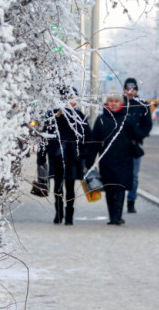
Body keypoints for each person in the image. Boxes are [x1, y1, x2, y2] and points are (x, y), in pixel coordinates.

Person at [43, 87, 90, 225]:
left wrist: (83, 155)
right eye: (69, 99)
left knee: (70, 187)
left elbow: (88, 137)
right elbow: (45, 136)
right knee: (57, 186)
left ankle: (69, 215)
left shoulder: (79, 116)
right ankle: (58, 213)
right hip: (56, 156)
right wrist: (42, 156)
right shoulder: (52, 115)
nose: (72, 102)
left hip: (73, 158)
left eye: (74, 99)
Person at [86, 94, 135, 225]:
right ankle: (112, 215)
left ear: (121, 103)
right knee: (109, 188)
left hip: (124, 159)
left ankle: (117, 217)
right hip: (106, 159)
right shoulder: (101, 119)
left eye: (116, 101)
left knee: (120, 187)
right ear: (107, 103)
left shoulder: (127, 119)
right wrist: (90, 161)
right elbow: (95, 141)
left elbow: (136, 136)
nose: (113, 103)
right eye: (111, 101)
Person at [121, 77, 153, 213]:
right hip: (120, 146)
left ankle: (131, 201)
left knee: (134, 175)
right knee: (121, 174)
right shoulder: (119, 104)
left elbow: (148, 125)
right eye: (127, 89)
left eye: (132, 89)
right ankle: (119, 201)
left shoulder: (142, 105)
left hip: (135, 145)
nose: (130, 92)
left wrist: (138, 134)